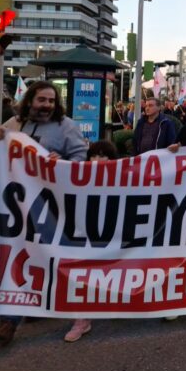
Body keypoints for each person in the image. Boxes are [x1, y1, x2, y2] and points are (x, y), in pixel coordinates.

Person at [0, 80, 88, 346]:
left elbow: (80, 160)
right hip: (17, 210)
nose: (47, 105)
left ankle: (40, 302)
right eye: (42, 100)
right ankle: (8, 322)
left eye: (51, 101)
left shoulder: (66, 126)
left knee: (50, 258)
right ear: (30, 100)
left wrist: (62, 163)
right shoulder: (13, 125)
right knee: (16, 258)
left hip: (51, 209)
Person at [63, 139, 119, 343]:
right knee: (82, 272)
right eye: (93, 155)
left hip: (115, 236)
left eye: (103, 155)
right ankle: (82, 319)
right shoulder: (80, 176)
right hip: (87, 235)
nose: (97, 159)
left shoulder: (125, 175)